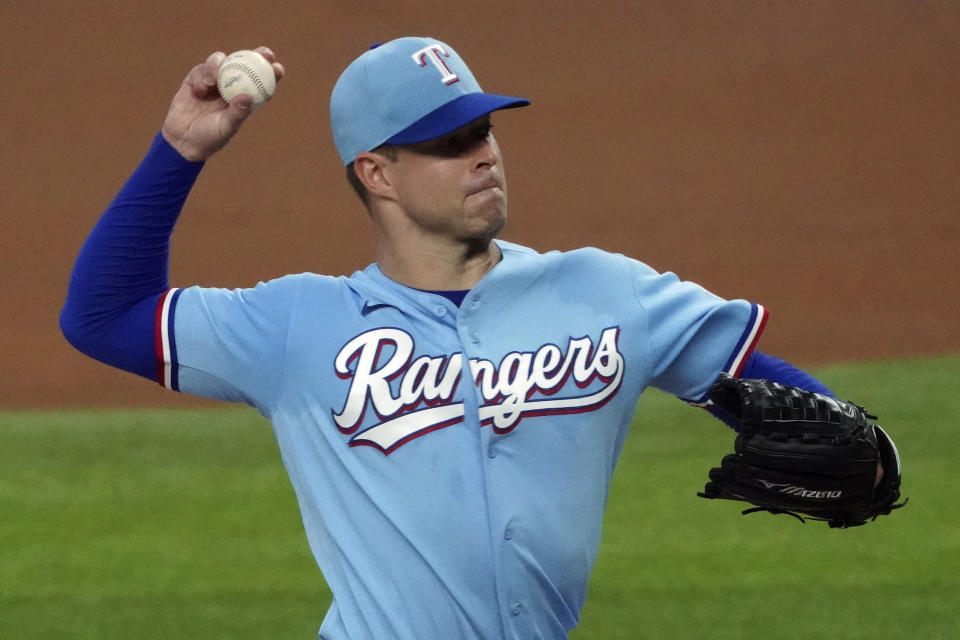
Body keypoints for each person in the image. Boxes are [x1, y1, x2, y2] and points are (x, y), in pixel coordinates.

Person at [61, 38, 843, 640]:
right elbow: (102, 316)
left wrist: (851, 441)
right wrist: (181, 149)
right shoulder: (297, 327)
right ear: (377, 173)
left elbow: (758, 384)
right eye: (446, 143)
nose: (482, 156)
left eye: (483, 129)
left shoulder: (603, 292)